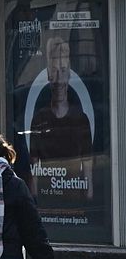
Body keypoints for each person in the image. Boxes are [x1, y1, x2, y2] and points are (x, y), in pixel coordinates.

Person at [28, 36, 93, 200]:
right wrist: (35, 199)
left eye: (63, 70)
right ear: (49, 74)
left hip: (76, 200)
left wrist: (89, 196)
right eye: (54, 71)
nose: (58, 79)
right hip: (48, 198)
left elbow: (87, 165)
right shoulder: (39, 119)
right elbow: (34, 166)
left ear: (69, 73)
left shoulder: (81, 119)